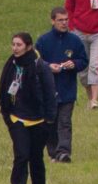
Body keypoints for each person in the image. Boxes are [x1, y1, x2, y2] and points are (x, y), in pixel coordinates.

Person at [0, 31, 58, 184]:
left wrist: (49, 120)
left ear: (28, 47)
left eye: (19, 45)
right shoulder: (11, 64)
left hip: (39, 119)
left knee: (36, 157)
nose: (15, 48)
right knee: (21, 155)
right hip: (17, 118)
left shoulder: (40, 66)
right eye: (13, 44)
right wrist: (6, 114)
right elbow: (4, 90)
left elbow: (49, 93)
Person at [33, 13, 89, 164]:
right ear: (52, 21)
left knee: (65, 122)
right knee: (50, 122)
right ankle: (53, 152)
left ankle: (64, 152)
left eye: (66, 20)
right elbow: (35, 62)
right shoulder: (43, 41)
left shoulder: (75, 40)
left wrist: (74, 64)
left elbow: (84, 61)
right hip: (48, 90)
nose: (64, 23)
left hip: (67, 89)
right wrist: (48, 66)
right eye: (60, 20)